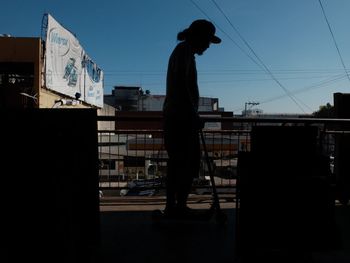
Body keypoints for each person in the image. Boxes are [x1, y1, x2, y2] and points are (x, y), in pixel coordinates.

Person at [162, 19, 221, 218]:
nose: (208, 46)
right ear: (199, 37)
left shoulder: (185, 52)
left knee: (185, 163)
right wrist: (193, 115)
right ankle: (173, 207)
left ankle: (178, 206)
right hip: (180, 120)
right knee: (180, 163)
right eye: (207, 41)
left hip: (182, 118)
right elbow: (180, 85)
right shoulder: (184, 50)